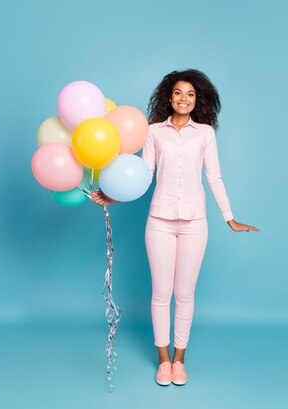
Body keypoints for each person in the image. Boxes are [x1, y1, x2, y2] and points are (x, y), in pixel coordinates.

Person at [91, 69, 259, 386]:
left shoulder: (205, 134)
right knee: (160, 293)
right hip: (159, 222)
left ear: (198, 101)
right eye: (179, 93)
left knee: (185, 294)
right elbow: (144, 173)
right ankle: (163, 361)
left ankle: (180, 361)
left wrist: (229, 217)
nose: (184, 99)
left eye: (191, 94)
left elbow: (215, 177)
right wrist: (114, 195)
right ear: (169, 97)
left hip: (195, 222)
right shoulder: (154, 132)